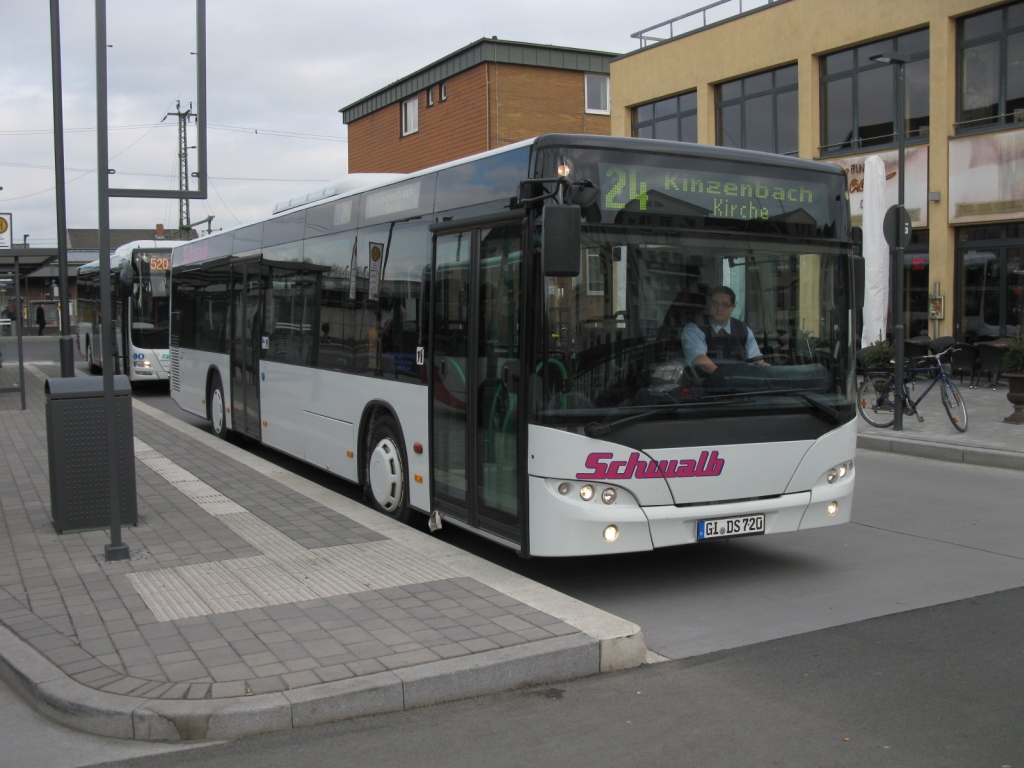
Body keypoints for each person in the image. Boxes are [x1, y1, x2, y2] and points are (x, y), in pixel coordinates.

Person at [681, 286, 769, 374]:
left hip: (740, 382)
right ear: (710, 304)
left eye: (724, 305)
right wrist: (725, 378)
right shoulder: (695, 328)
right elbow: (699, 360)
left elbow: (755, 359)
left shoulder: (743, 328)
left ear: (732, 307)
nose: (719, 308)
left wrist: (763, 367)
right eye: (715, 303)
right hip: (707, 385)